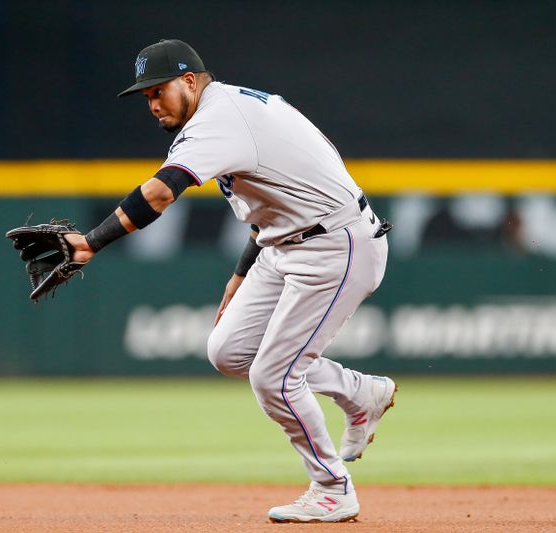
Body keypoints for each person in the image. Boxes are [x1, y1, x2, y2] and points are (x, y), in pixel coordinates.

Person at [65, 39, 397, 524]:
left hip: (335, 246)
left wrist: (92, 241)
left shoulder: (217, 121)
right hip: (282, 244)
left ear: (192, 81)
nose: (153, 103)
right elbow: (271, 203)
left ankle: (332, 488)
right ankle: (360, 392)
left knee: (275, 378)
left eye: (160, 90)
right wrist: (240, 275)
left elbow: (159, 194)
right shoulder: (228, 108)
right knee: (228, 351)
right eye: (146, 96)